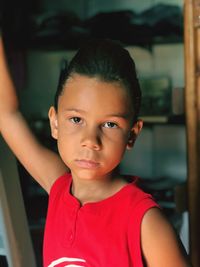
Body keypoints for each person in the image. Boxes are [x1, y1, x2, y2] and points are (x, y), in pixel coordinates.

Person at [0, 31, 191, 267]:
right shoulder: (59, 187)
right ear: (55, 122)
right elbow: (6, 114)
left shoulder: (146, 222)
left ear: (132, 134)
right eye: (76, 120)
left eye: (110, 124)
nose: (90, 140)